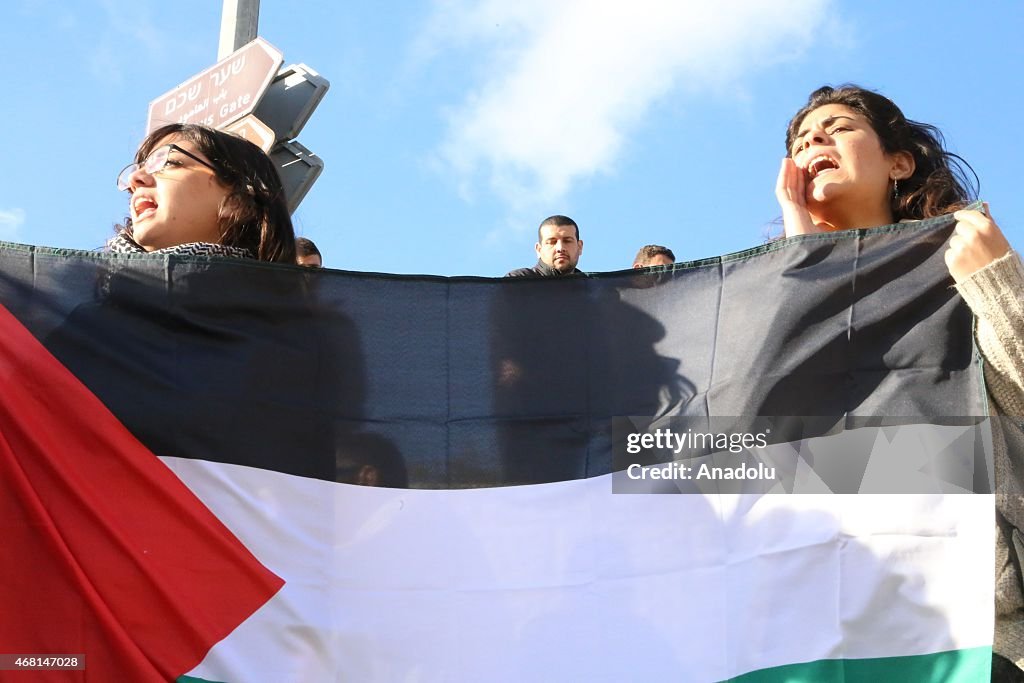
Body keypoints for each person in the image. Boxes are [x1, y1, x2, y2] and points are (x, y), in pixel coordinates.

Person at [777, 84, 1024, 679]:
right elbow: (765, 463)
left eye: (837, 128)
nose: (815, 140)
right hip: (839, 634)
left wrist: (998, 286)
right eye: (802, 139)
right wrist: (796, 282)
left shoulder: (963, 256)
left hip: (988, 634)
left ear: (899, 162)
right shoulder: (759, 305)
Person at [112, 123, 296, 263]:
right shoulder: (92, 299)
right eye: (138, 169)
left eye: (167, 162)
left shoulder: (282, 309)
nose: (135, 179)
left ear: (238, 202)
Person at [506, 215, 585, 277]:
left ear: (579, 247)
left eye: (567, 241)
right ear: (539, 250)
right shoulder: (518, 281)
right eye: (552, 242)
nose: (560, 248)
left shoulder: (591, 288)